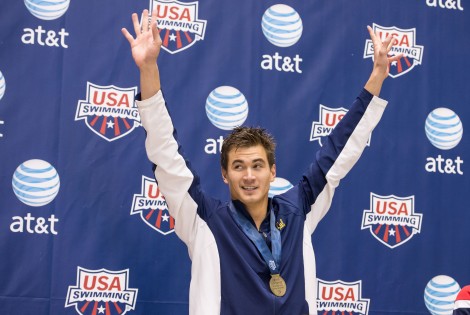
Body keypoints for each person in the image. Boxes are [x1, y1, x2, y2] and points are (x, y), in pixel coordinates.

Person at [122, 8, 400, 315]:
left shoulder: (298, 211)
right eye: (238, 167)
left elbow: (339, 152)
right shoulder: (204, 220)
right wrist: (148, 68)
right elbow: (166, 154)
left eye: (257, 165)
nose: (249, 176)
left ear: (272, 172)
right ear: (225, 175)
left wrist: (376, 79)